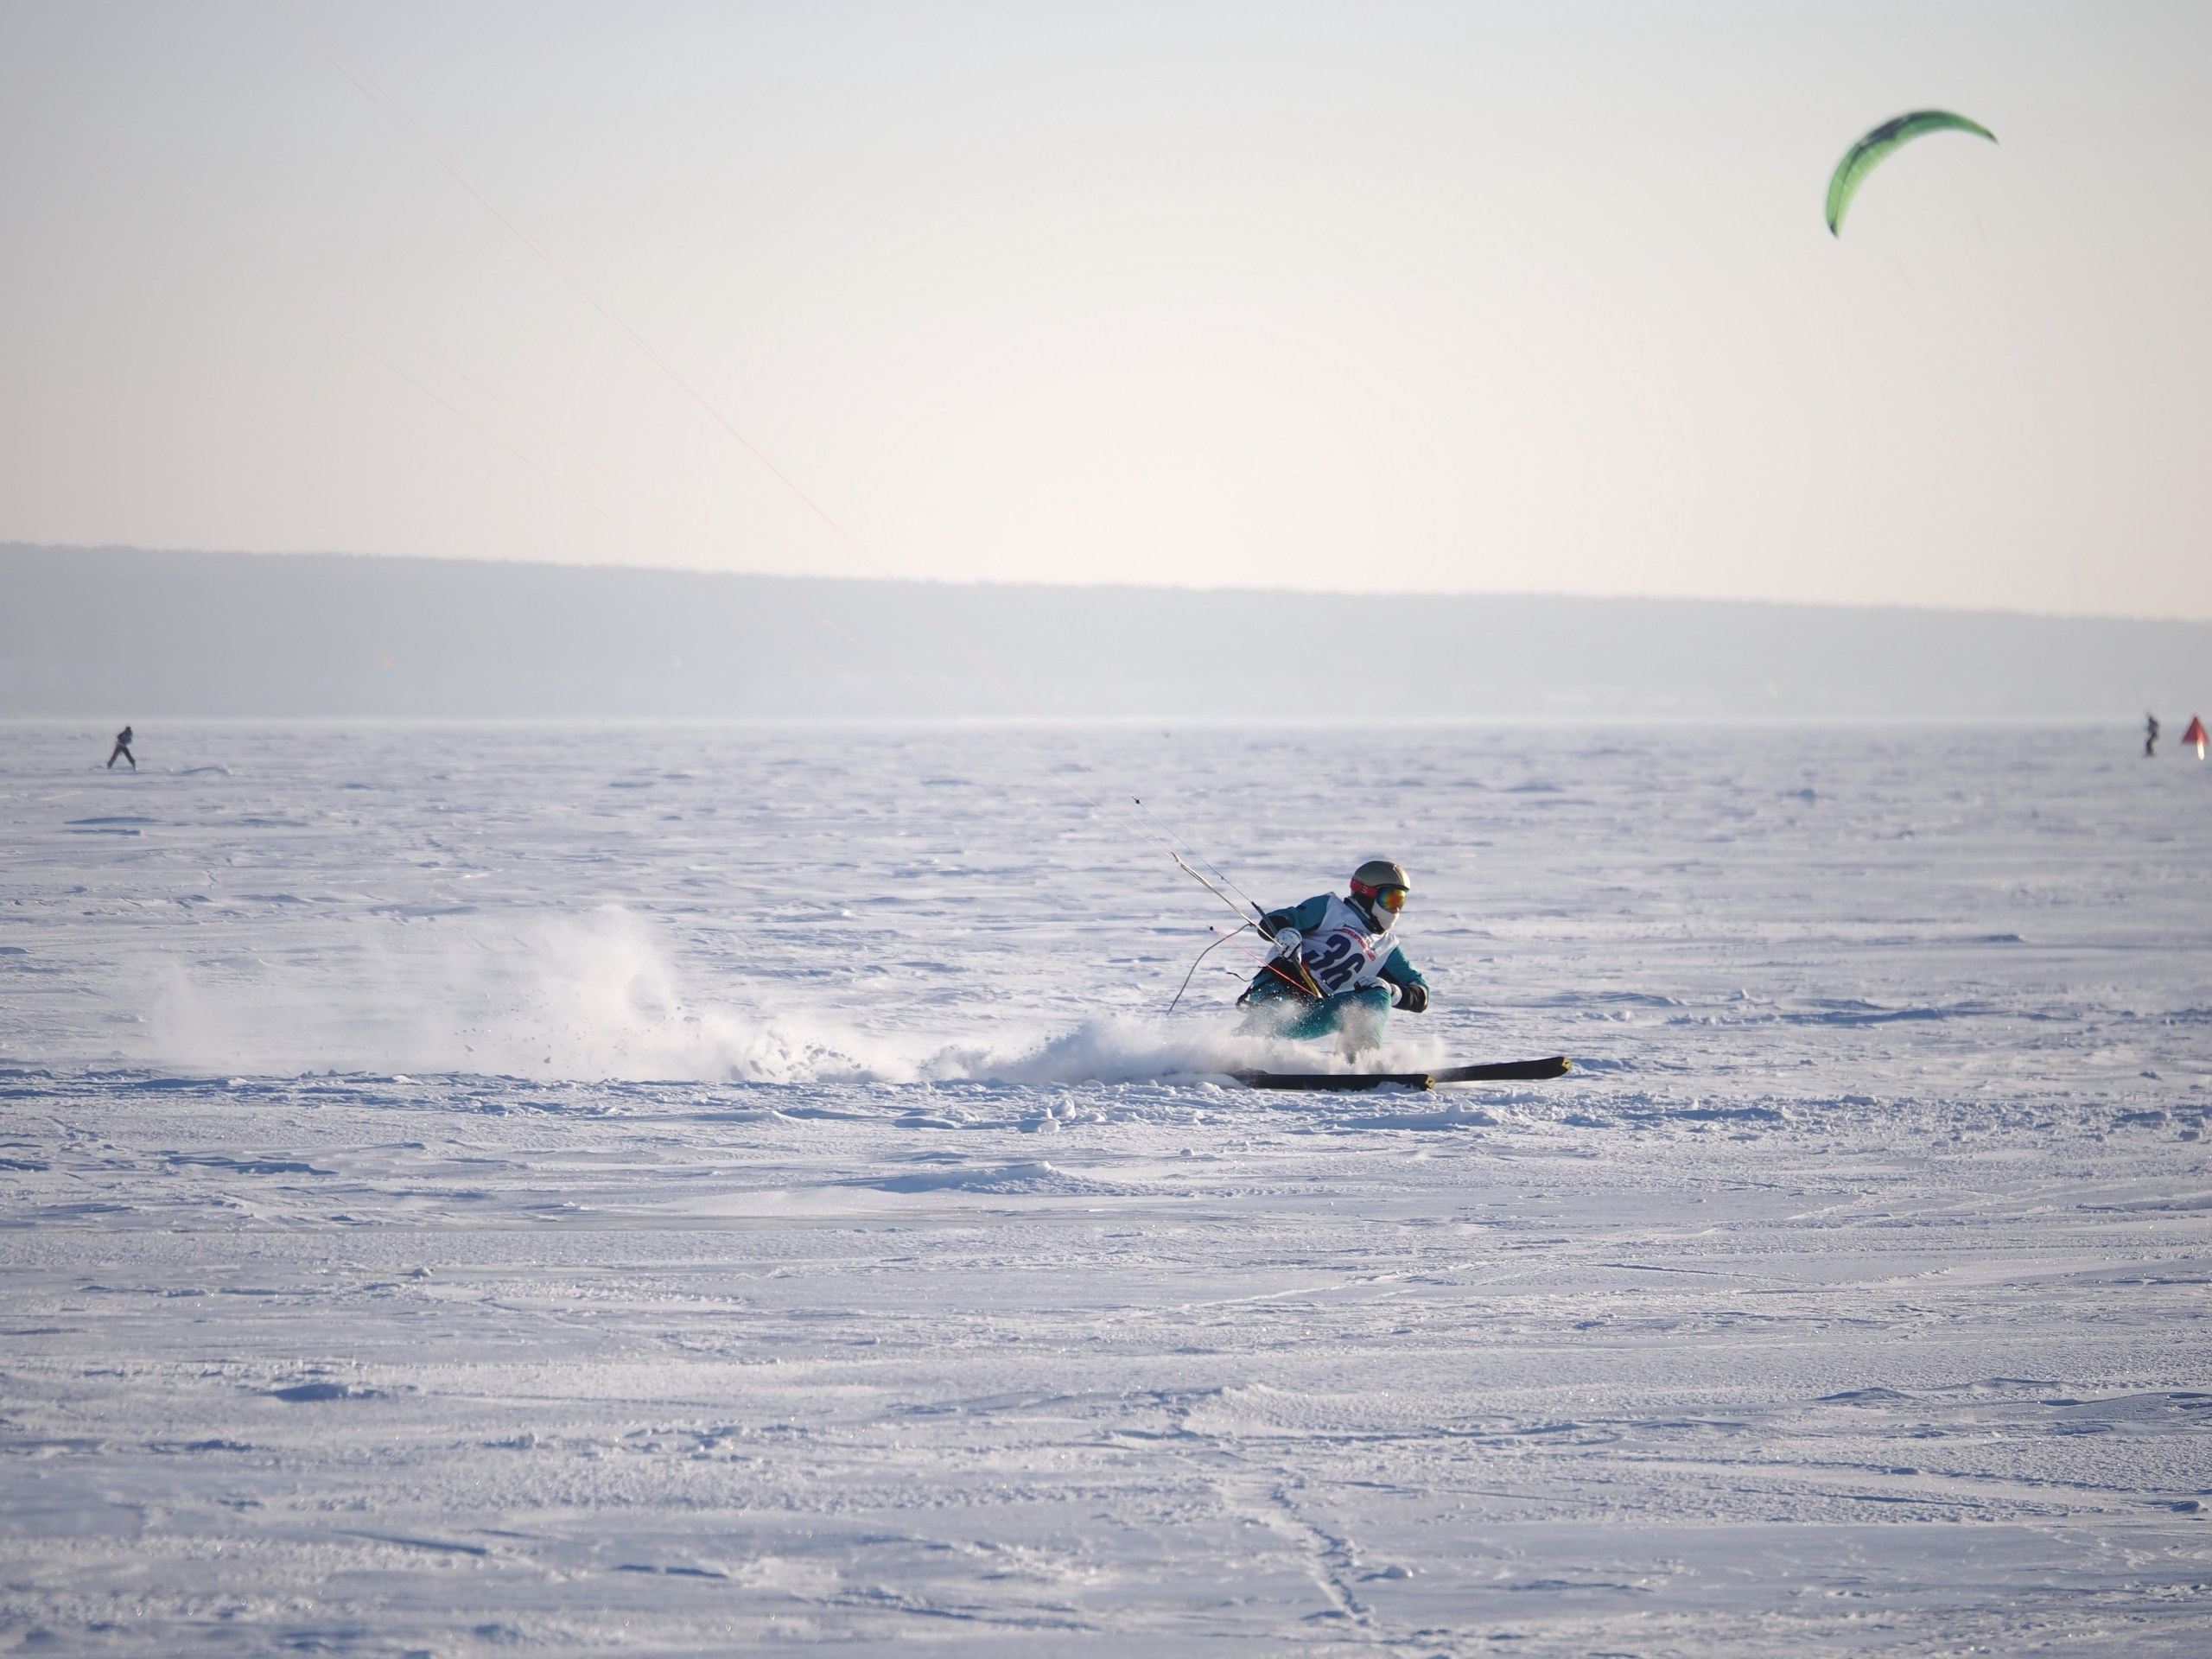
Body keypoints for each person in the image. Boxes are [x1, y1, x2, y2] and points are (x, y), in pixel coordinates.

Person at [1238, 859, 1429, 1056]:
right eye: (1390, 899)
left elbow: (1421, 995)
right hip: (1277, 990)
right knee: (1270, 1019)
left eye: (1400, 901)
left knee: (1377, 992)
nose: (1395, 909)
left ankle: (1359, 1059)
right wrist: (1287, 933)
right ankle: (1236, 1053)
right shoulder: (1330, 908)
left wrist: (1394, 992)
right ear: (1367, 893)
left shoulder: (1387, 947)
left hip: (1315, 1011)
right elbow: (1273, 921)